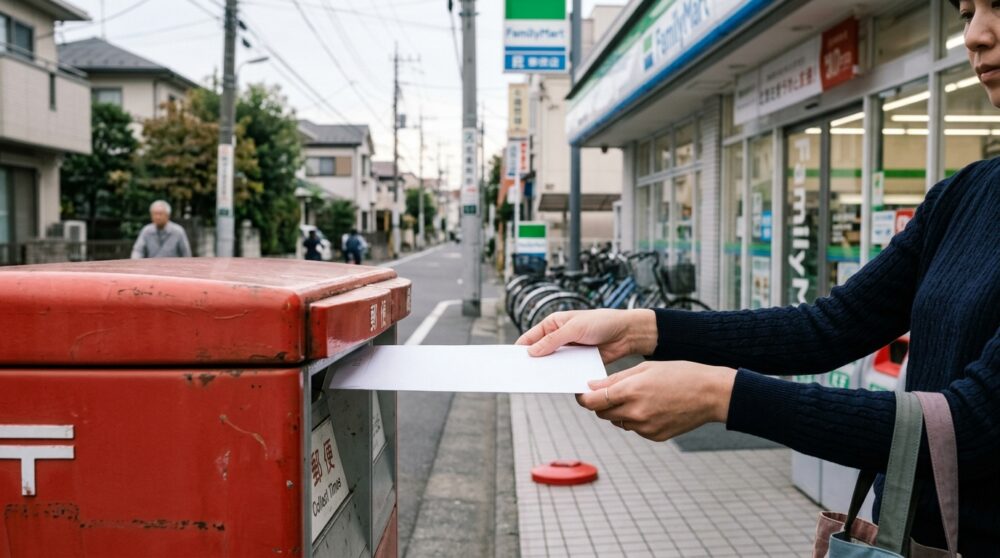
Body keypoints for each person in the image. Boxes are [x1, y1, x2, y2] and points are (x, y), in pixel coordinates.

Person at [517, 2, 999, 554]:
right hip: (913, 541)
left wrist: (719, 394)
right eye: (966, 12)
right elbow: (830, 326)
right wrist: (641, 329)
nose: (974, 36)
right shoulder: (965, 195)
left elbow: (972, 427)